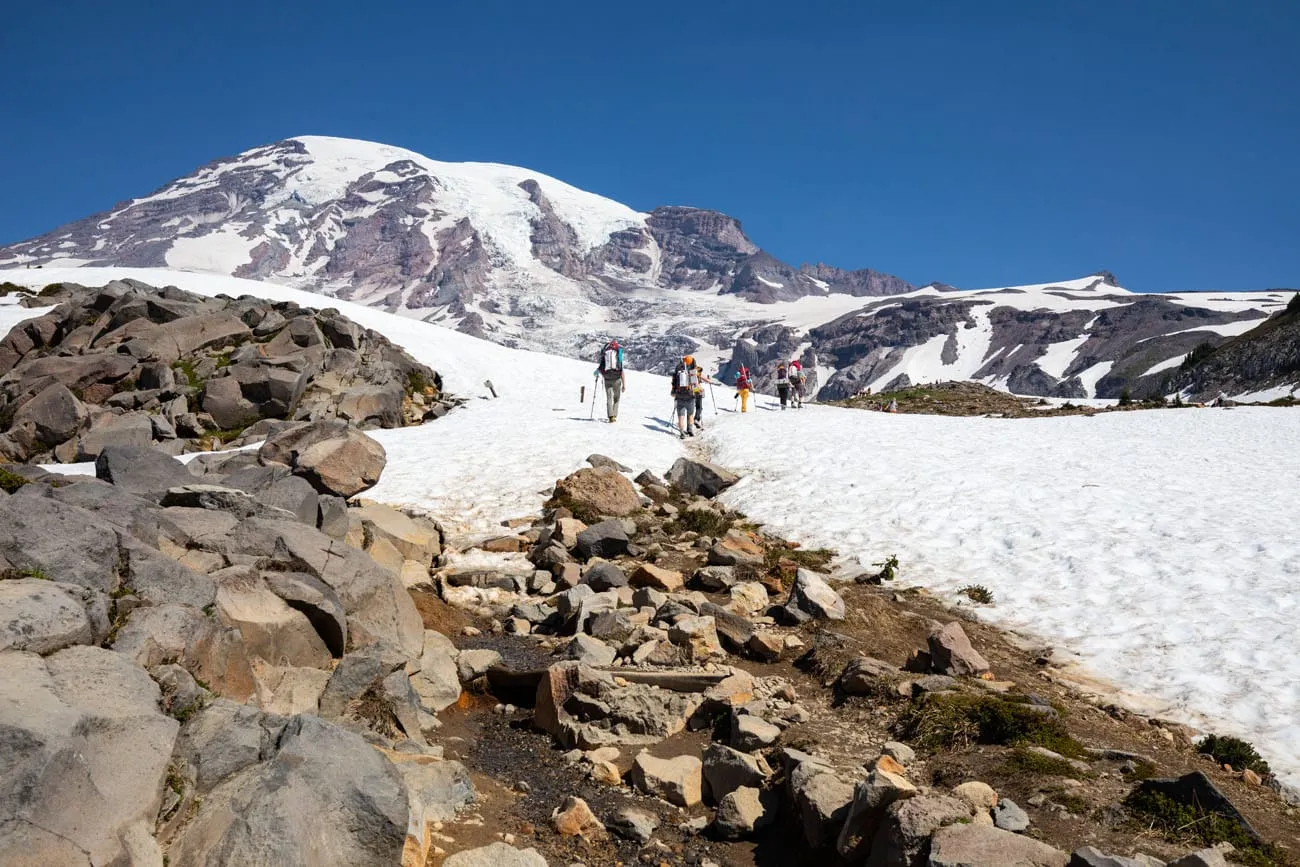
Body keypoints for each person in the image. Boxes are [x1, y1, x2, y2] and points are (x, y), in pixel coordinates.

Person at [595, 339, 626, 422]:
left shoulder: (606, 353)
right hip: (616, 379)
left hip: (607, 379)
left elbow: (601, 368)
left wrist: (599, 373)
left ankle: (610, 416)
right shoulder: (617, 354)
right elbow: (621, 371)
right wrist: (624, 385)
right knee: (616, 398)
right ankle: (614, 415)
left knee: (609, 398)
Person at [671, 355, 699, 438]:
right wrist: (697, 393)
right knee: (690, 414)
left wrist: (673, 391)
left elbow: (674, 381)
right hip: (690, 396)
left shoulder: (678, 370)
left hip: (679, 395)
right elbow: (695, 385)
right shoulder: (693, 371)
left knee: (681, 415)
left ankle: (682, 432)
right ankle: (690, 430)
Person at [690, 358, 711, 428]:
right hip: (697, 390)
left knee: (689, 408)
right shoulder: (697, 371)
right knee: (699, 407)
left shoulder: (685, 370)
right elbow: (707, 380)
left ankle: (688, 425)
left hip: (688, 391)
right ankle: (696, 419)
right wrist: (709, 380)